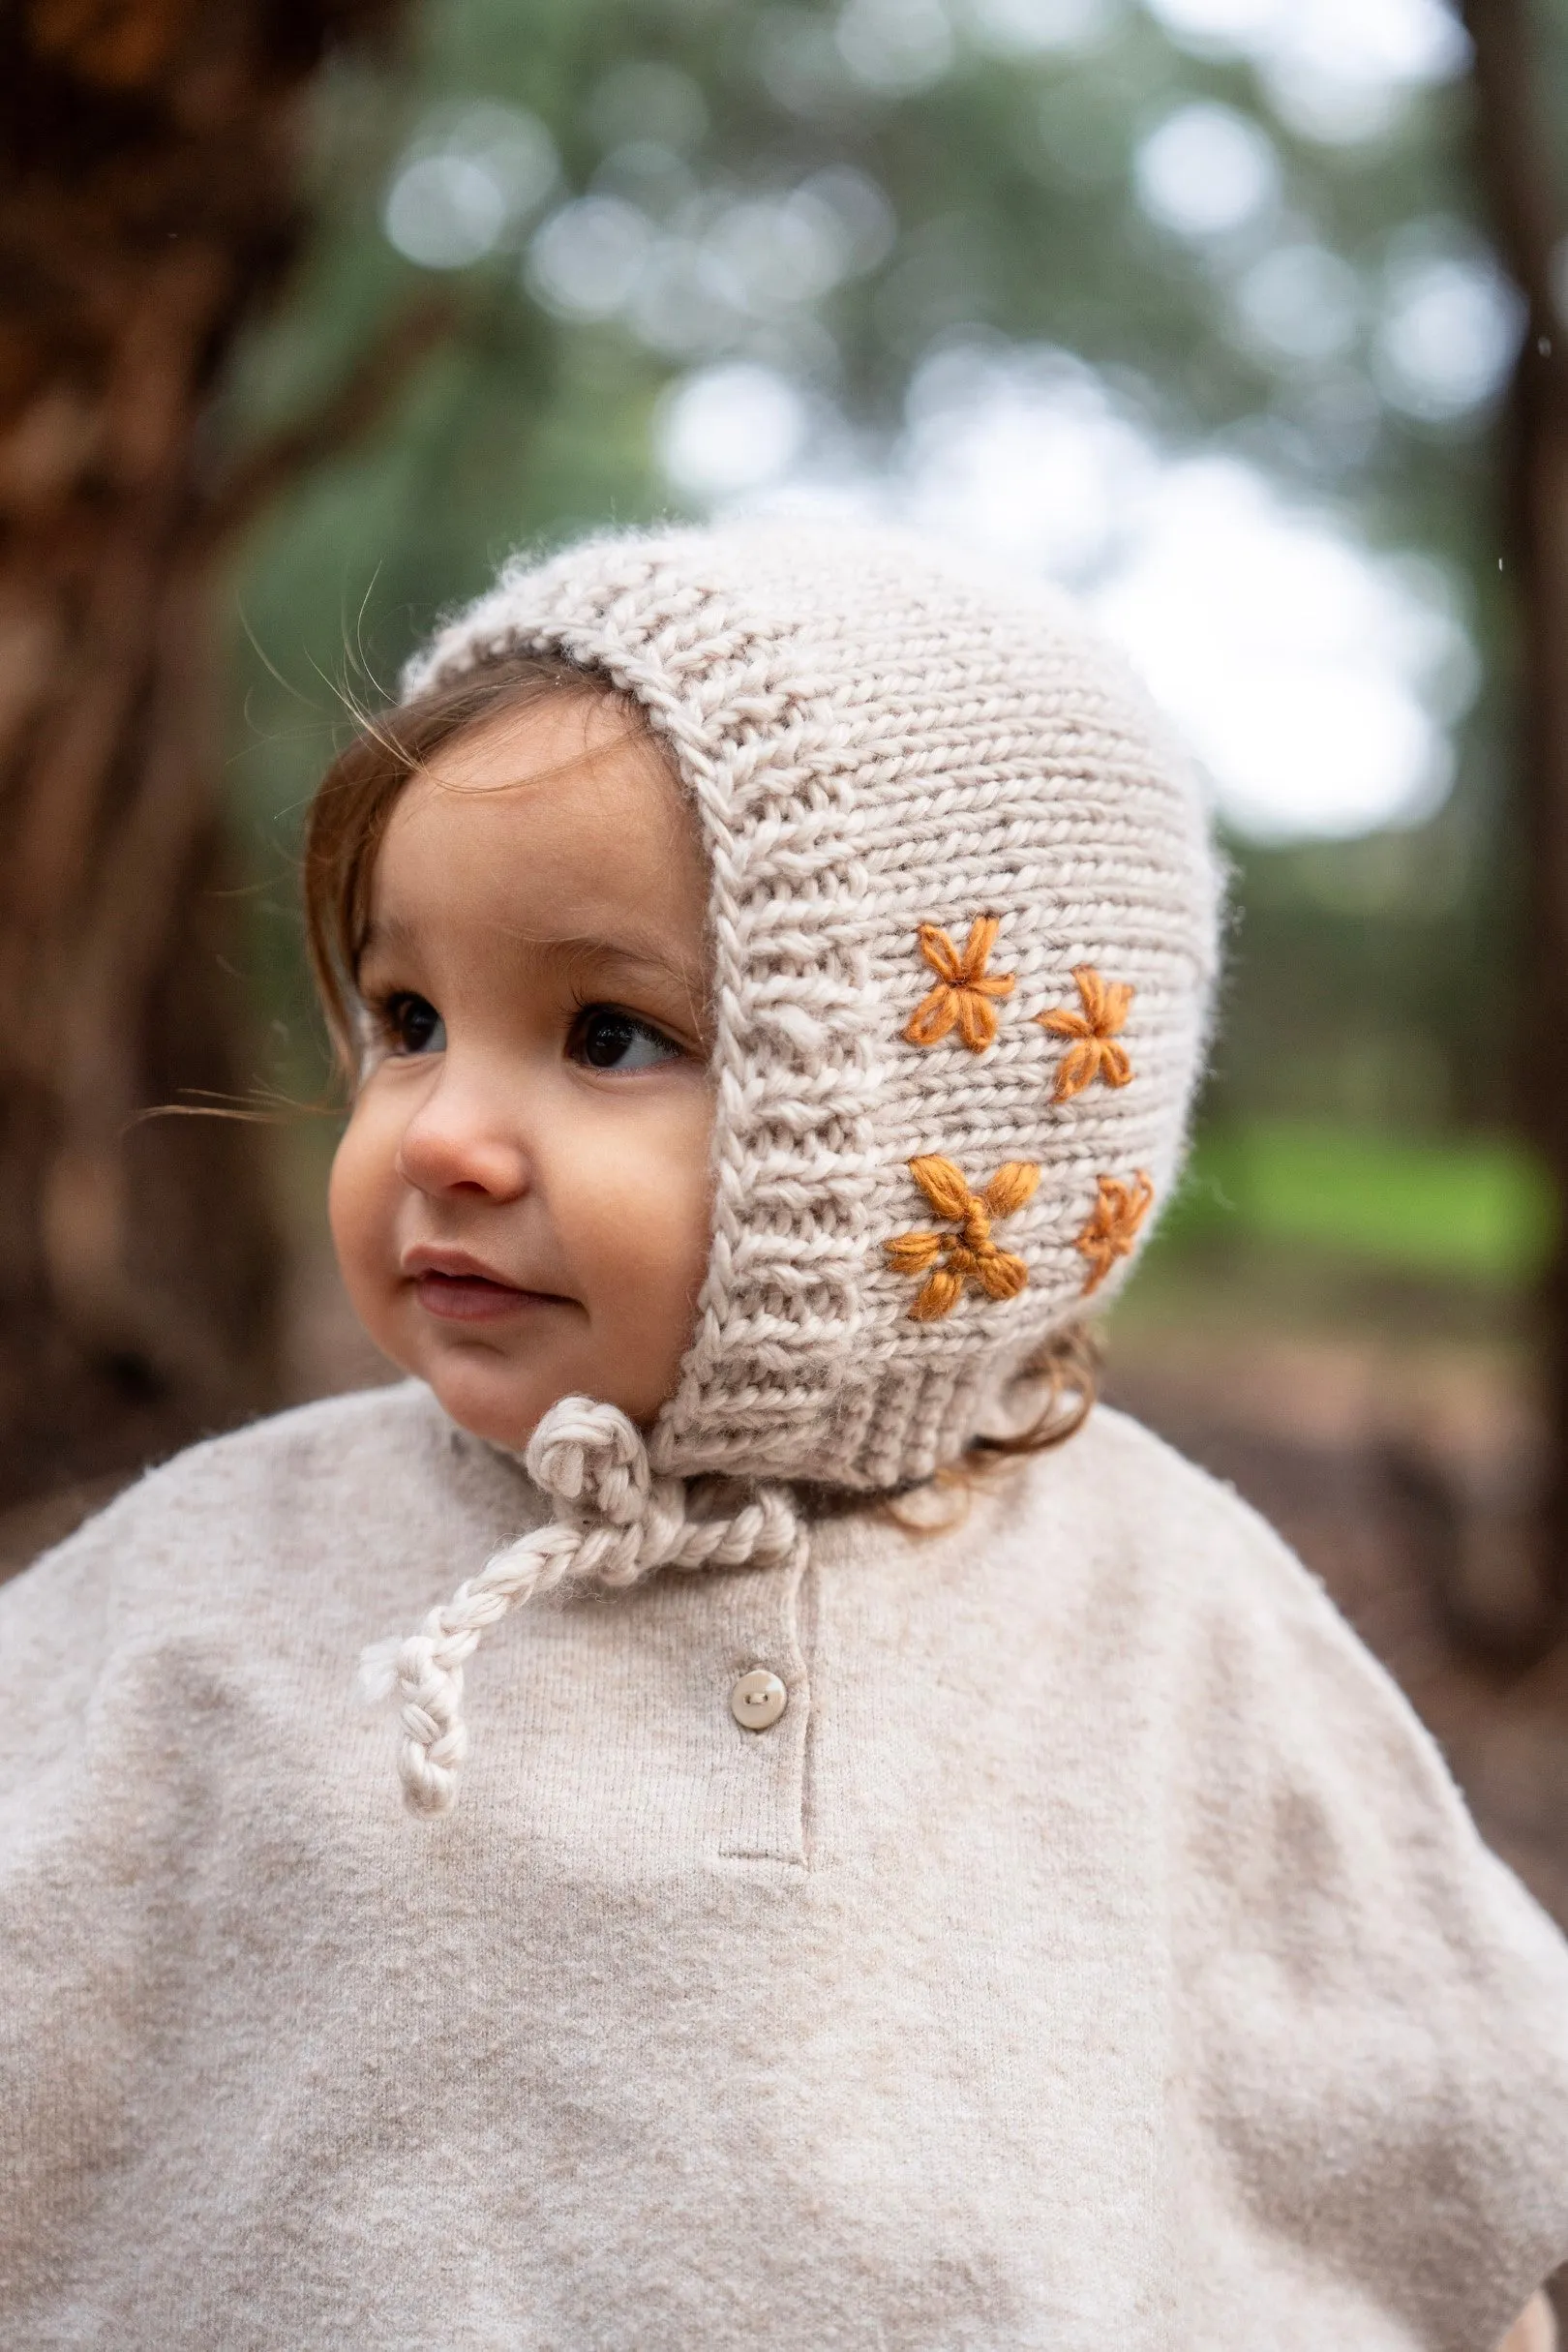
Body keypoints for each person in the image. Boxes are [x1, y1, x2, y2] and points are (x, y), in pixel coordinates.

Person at [1, 520, 1565, 2350]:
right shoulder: (212, 1580)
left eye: (605, 1033)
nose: (439, 1131)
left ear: (942, 1115)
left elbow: (1451, 2173)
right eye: (409, 1015)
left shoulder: (1175, 1616)